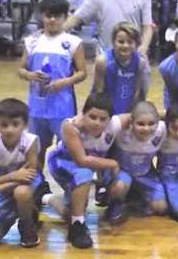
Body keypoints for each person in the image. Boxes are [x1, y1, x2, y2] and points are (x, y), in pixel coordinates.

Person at [18, 0, 87, 191]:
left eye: (57, 16)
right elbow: (21, 69)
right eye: (49, 15)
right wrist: (30, 75)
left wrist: (64, 82)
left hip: (63, 107)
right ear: (42, 16)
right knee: (36, 150)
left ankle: (71, 187)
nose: (52, 20)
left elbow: (82, 72)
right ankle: (38, 187)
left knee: (68, 149)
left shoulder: (73, 42)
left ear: (65, 17)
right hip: (37, 107)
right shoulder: (32, 41)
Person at [46, 93, 124, 248]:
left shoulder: (115, 124)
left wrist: (165, 115)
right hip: (63, 163)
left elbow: (136, 116)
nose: (97, 123)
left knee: (74, 210)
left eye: (102, 119)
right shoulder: (70, 126)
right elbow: (81, 161)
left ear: (109, 119)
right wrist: (113, 163)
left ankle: (49, 199)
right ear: (83, 113)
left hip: (92, 164)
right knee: (84, 174)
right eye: (92, 117)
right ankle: (77, 227)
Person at [0, 98, 43, 248]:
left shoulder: (30, 141)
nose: (9, 130)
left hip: (26, 185)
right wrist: (12, 176)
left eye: (15, 124)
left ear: (25, 125)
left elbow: (29, 176)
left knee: (21, 192)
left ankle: (27, 226)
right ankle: (23, 211)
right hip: (5, 190)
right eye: (4, 125)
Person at [111, 102, 167, 219]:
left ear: (158, 122)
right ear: (131, 122)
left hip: (145, 174)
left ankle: (136, 199)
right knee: (119, 187)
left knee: (161, 207)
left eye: (151, 124)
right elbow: (107, 122)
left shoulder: (162, 129)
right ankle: (115, 203)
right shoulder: (121, 131)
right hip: (123, 172)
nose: (146, 128)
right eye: (140, 124)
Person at [93, 22, 149, 115]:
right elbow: (98, 92)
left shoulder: (140, 62)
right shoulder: (103, 62)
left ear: (136, 44)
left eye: (130, 42)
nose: (125, 45)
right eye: (121, 42)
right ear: (113, 42)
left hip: (127, 112)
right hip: (106, 111)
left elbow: (137, 92)